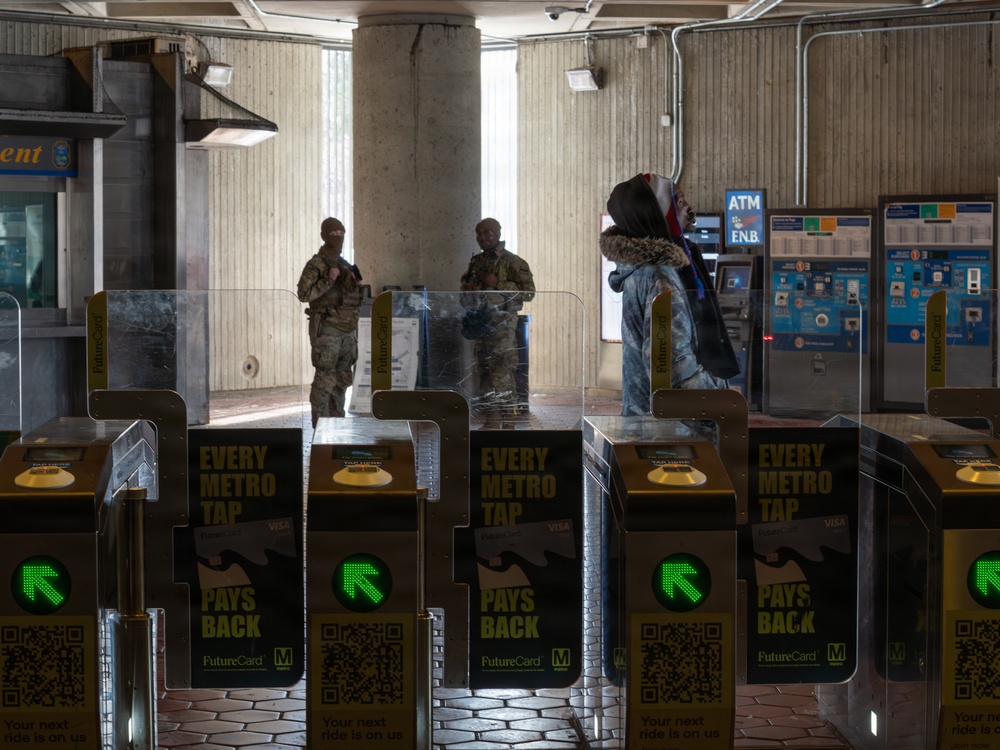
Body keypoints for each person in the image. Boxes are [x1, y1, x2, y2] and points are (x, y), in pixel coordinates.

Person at [600, 173, 739, 416]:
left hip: (648, 414)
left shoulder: (648, 269)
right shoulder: (659, 276)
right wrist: (719, 398)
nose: (689, 209)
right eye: (680, 202)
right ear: (657, 213)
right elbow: (674, 366)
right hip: (674, 424)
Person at [460, 217, 535, 429]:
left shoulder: (513, 262)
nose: (483, 238)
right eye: (479, 233)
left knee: (502, 374)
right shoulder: (477, 262)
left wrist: (499, 283)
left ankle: (508, 422)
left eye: (488, 233)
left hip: (502, 328)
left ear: (499, 234)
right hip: (480, 325)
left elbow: (529, 292)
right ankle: (492, 419)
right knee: (484, 373)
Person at [297, 217, 364, 426]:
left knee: (342, 381)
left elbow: (355, 301)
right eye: (333, 234)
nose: (338, 237)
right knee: (325, 381)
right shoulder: (316, 264)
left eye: (341, 233)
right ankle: (321, 429)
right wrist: (329, 280)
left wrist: (356, 285)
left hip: (347, 334)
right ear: (324, 236)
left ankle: (337, 426)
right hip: (326, 333)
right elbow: (303, 293)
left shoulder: (345, 265)